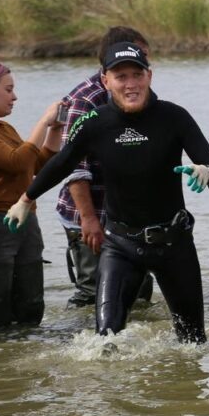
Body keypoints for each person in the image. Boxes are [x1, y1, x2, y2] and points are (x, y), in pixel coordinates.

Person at [4, 43, 209, 344]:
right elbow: (61, 164)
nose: (130, 84)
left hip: (174, 243)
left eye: (137, 75)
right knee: (105, 341)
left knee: (193, 343)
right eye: (121, 76)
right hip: (121, 246)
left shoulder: (175, 117)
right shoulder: (94, 122)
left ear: (149, 76)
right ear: (106, 80)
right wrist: (26, 200)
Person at [56, 26, 154, 307]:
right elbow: (74, 167)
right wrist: (88, 220)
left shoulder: (139, 92)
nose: (145, 63)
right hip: (89, 210)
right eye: (141, 54)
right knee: (93, 291)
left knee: (138, 292)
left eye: (144, 60)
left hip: (128, 215)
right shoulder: (85, 99)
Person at [0, 61, 62, 328]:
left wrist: (55, 129)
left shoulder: (6, 129)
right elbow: (17, 162)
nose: (15, 97)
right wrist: (43, 121)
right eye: (8, 90)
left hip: (25, 218)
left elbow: (36, 165)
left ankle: (28, 345)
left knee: (31, 299)